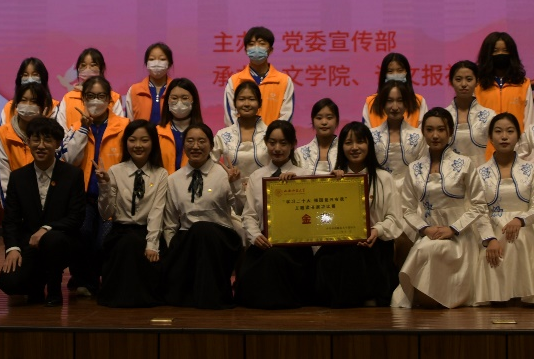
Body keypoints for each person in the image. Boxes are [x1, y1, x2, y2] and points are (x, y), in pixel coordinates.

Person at [392, 108, 488, 309]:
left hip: (459, 235)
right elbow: (407, 208)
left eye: (441, 130)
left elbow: (479, 204)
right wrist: (425, 229)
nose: (435, 135)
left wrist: (453, 229)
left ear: (450, 132)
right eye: (429, 130)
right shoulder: (414, 168)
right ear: (423, 132)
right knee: (423, 248)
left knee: (425, 250)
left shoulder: (465, 164)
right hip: (430, 232)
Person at [148, 123, 244, 309]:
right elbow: (170, 224)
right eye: (190, 141)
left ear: (211, 145)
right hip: (187, 239)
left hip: (221, 238)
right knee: (196, 233)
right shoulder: (173, 179)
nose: (195, 146)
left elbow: (240, 210)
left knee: (203, 230)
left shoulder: (225, 174)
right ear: (183, 145)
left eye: (202, 141)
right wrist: (173, 251)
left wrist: (236, 185)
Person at [314, 122, 403, 307]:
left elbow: (394, 218)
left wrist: (376, 230)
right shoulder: (334, 179)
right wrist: (332, 186)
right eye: (348, 143)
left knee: (359, 254)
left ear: (369, 144)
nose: (354, 147)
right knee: (328, 258)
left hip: (375, 244)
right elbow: (323, 218)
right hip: (342, 243)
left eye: (360, 142)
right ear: (341, 147)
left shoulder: (384, 178)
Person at [0, 117, 84, 306]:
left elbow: (76, 217)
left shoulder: (72, 174)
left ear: (58, 143)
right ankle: (36, 283)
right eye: (36, 140)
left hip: (63, 241)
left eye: (48, 140)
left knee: (52, 239)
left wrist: (46, 228)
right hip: (30, 243)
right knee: (9, 283)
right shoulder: (18, 177)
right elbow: (11, 220)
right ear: (28, 142)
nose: (41, 146)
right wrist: (12, 248)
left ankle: (54, 290)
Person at [59, 74, 128, 296]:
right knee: (82, 234)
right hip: (83, 196)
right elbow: (69, 160)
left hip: (112, 196)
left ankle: (105, 279)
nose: (95, 101)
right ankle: (84, 281)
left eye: (101, 96)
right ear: (83, 99)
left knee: (103, 242)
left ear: (109, 100)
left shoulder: (124, 126)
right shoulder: (74, 127)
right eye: (90, 96)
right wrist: (82, 129)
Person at [236, 121, 316, 309]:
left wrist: (298, 187)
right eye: (272, 143)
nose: (277, 148)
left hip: (295, 246)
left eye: (283, 143)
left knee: (276, 258)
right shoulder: (257, 176)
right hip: (264, 243)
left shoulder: (304, 176)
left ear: (293, 144)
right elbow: (249, 214)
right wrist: (255, 236)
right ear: (266, 143)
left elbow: (313, 213)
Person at [92, 120, 169, 307]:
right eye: (132, 140)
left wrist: (152, 245)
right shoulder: (115, 171)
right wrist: (104, 186)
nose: (138, 145)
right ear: (126, 142)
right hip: (120, 232)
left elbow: (157, 211)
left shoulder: (161, 174)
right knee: (127, 243)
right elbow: (106, 214)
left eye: (144, 140)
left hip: (147, 232)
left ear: (153, 143)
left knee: (138, 244)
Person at [475, 114, 534, 306]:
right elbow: (478, 210)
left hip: (523, 225)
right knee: (499, 237)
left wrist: (520, 220)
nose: (504, 136)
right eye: (498, 131)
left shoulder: (531, 170)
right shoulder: (480, 172)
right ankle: (497, 295)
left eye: (510, 131)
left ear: (518, 136)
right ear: (490, 138)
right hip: (492, 227)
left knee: (519, 237)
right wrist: (489, 238)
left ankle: (522, 294)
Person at [223, 26, 295, 126]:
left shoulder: (284, 81)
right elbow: (230, 117)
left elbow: (287, 115)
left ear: (270, 50)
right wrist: (246, 134)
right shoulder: (235, 80)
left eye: (262, 44)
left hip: (273, 136)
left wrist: (270, 134)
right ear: (246, 50)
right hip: (242, 136)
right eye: (251, 44)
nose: (256, 48)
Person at [0, 80, 53, 197]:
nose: (28, 105)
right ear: (16, 104)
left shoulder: (50, 133)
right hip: (14, 199)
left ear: (42, 107)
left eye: (33, 101)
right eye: (23, 100)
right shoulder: (3, 133)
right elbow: (3, 176)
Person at [473, 31, 534, 130]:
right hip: (485, 139)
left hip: (517, 139)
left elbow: (529, 121)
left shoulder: (524, 84)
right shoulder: (477, 85)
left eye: (505, 50)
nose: (500, 54)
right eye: (495, 51)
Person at [212, 80, 268, 190]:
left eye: (251, 99)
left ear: (260, 103)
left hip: (264, 194)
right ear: (235, 103)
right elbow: (210, 165)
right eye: (242, 99)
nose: (246, 104)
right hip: (230, 195)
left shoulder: (270, 134)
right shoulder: (223, 135)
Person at [370, 80, 427, 187]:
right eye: (389, 101)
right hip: (379, 191)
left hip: (410, 193)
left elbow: (423, 171)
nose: (395, 107)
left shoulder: (419, 136)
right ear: (382, 103)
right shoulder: (371, 136)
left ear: (407, 104)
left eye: (400, 101)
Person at [56, 47, 126, 132]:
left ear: (101, 68)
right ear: (78, 69)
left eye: (93, 65)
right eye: (83, 65)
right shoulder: (68, 98)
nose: (87, 69)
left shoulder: (113, 97)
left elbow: (120, 127)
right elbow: (61, 130)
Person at [444, 61, 494, 166]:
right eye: (458, 79)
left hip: (480, 172)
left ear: (477, 82)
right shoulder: (443, 116)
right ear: (451, 82)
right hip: (448, 173)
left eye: (469, 79)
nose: (463, 84)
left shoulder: (490, 116)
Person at [360, 52, 429, 128]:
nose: (395, 74)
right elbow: (366, 132)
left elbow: (424, 130)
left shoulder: (419, 101)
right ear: (384, 74)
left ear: (406, 72)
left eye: (400, 70)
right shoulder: (371, 102)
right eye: (390, 71)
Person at [156, 77, 204, 173]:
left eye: (184, 98)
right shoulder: (156, 132)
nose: (179, 102)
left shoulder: (203, 134)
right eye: (174, 98)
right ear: (167, 101)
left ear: (193, 101)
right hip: (163, 182)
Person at [123, 42, 175, 123]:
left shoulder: (176, 89)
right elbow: (129, 123)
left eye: (162, 59)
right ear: (146, 63)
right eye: (152, 59)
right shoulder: (134, 90)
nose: (157, 63)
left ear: (170, 63)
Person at [0, 57, 57, 125]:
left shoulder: (54, 107)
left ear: (43, 78)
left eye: (35, 75)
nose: (30, 79)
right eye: (25, 75)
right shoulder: (9, 107)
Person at [295, 98, 340, 175]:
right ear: (312, 121)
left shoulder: (345, 151)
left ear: (337, 121)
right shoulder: (300, 154)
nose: (324, 122)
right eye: (319, 118)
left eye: (329, 118)